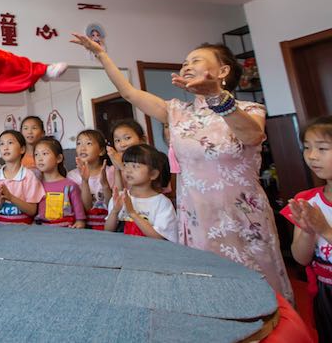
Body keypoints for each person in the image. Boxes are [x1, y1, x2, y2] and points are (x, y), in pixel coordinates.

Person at [70, 33, 293, 302]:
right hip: (197, 215)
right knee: (208, 288)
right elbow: (129, 92)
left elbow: (252, 136)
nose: (186, 65)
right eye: (184, 62)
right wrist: (101, 54)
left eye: (196, 60)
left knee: (258, 290)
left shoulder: (250, 108)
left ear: (223, 71)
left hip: (242, 215)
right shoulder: (176, 111)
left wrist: (216, 97)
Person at [281, 116, 332, 339]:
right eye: (307, 148)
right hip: (325, 292)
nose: (312, 156)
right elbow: (301, 259)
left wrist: (324, 229)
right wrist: (309, 231)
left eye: (322, 148)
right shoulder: (307, 200)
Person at [105, 144, 177, 242]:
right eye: (125, 165)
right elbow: (108, 231)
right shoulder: (119, 197)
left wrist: (132, 213)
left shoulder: (162, 203)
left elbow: (160, 238)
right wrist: (115, 211)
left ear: (153, 174)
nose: (128, 170)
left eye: (135, 166)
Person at [0, 130, 45, 225]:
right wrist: (0, 200)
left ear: (22, 149)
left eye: (10, 143)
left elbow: (32, 210)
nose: (5, 147)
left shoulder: (29, 176)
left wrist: (11, 198)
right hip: (0, 229)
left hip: (24, 229)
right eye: (2, 144)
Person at [67, 129, 113, 230]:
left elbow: (111, 205)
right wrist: (84, 181)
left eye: (88, 143)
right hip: (85, 226)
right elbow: (86, 208)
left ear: (101, 151)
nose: (82, 148)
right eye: (79, 143)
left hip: (109, 225)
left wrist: (105, 184)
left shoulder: (110, 172)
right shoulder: (72, 176)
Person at [34, 137, 85, 228]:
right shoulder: (36, 185)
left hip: (66, 230)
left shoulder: (70, 185)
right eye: (36, 154)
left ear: (59, 158)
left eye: (44, 153)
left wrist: (80, 222)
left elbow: (79, 213)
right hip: (42, 231)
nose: (39, 158)